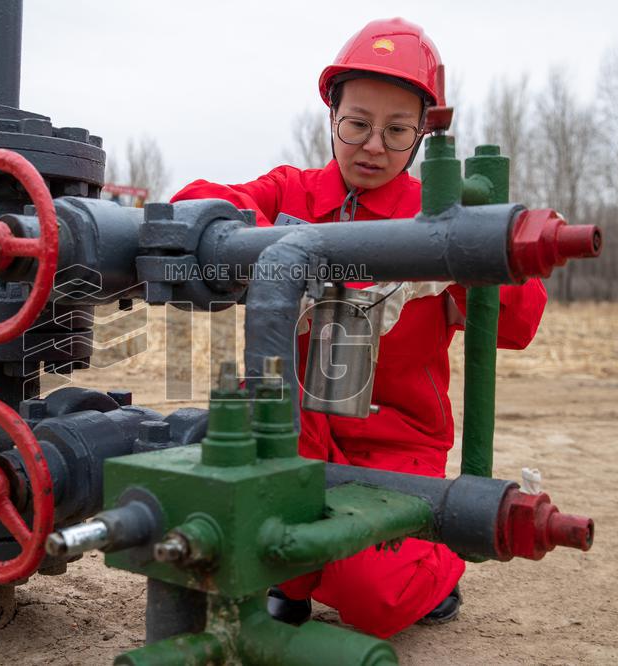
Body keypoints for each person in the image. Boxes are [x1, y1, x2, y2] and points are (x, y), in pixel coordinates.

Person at [170, 18, 548, 638]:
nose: (373, 145)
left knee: (370, 598)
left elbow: (520, 322)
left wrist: (480, 242)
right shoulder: (289, 193)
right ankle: (297, 578)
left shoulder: (438, 221)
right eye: (358, 123)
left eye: (397, 130)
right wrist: (241, 232)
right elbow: (196, 202)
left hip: (398, 446)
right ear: (331, 117)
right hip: (296, 432)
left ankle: (437, 565)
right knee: (239, 537)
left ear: (423, 134)